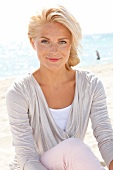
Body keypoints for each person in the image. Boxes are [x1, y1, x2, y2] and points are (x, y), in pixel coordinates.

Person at [6, 5, 113, 170]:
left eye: (62, 42)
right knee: (74, 148)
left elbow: (105, 137)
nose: (54, 50)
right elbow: (26, 156)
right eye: (45, 41)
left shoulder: (91, 86)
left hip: (71, 165)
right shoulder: (20, 92)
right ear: (32, 41)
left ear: (71, 43)